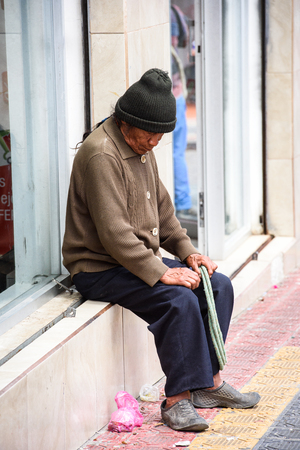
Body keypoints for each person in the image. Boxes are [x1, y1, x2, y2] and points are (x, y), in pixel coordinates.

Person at [62, 68, 260, 432]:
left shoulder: (139, 145)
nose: (154, 142)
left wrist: (187, 253)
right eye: (150, 133)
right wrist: (160, 272)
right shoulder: (101, 155)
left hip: (132, 259)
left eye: (160, 135)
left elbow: (163, 212)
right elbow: (114, 233)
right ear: (127, 122)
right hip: (97, 267)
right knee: (178, 299)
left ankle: (208, 384)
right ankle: (176, 401)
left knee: (217, 286)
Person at [171, 5, 196, 220]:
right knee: (177, 150)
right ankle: (182, 202)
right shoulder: (175, 11)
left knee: (175, 151)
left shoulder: (169, 12)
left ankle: (182, 203)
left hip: (171, 94)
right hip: (177, 93)